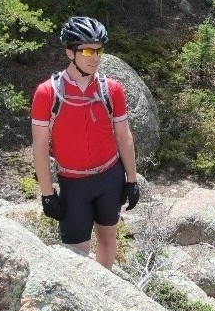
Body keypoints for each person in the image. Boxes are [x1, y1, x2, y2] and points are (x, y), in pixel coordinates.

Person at [31, 16, 140, 270]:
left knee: (108, 238)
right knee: (75, 254)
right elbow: (39, 146)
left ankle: (104, 294)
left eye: (99, 50)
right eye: (88, 51)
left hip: (109, 177)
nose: (95, 57)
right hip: (72, 183)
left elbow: (124, 137)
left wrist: (132, 180)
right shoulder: (48, 93)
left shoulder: (111, 90)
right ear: (70, 52)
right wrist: (47, 194)